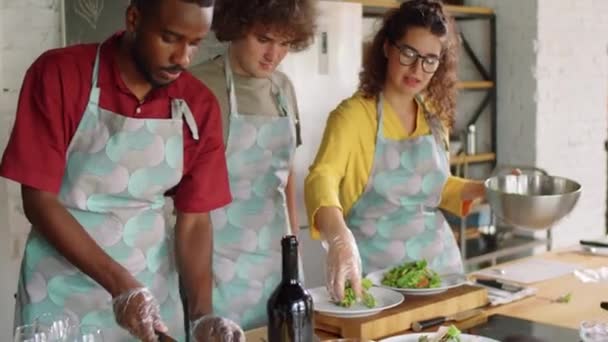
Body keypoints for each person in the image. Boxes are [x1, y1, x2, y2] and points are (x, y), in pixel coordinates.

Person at [0, 0, 245, 340]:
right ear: (134, 18)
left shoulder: (197, 104)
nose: (184, 59)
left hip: (152, 302)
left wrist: (202, 315)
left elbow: (194, 220)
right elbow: (39, 200)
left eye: (194, 43)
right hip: (58, 297)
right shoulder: (61, 74)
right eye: (170, 38)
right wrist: (120, 285)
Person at [304, 0, 485, 301]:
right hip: (377, 281)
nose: (418, 68)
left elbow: (432, 187)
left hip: (439, 272)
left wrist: (487, 189)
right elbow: (321, 177)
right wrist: (338, 237)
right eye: (409, 53)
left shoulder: (434, 114)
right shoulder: (352, 116)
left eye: (430, 59)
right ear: (388, 48)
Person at [189, 0, 316, 331]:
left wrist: (294, 242)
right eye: (263, 39)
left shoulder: (283, 88)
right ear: (236, 26)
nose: (273, 55)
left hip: (278, 260)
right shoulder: (198, 85)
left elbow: (286, 175)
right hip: (218, 263)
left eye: (285, 43)